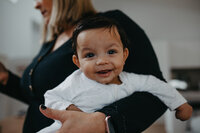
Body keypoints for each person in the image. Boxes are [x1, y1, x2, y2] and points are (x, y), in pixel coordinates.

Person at [0, 0, 171, 132]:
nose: (36, 5)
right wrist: (5, 78)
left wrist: (102, 122)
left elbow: (158, 91)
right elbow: (42, 96)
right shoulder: (52, 41)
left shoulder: (111, 24)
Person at [38, 16, 192, 133]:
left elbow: (157, 85)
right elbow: (51, 97)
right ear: (77, 62)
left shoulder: (132, 80)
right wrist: (71, 109)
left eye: (111, 52)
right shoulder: (76, 81)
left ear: (124, 55)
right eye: (90, 55)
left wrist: (180, 104)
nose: (102, 61)